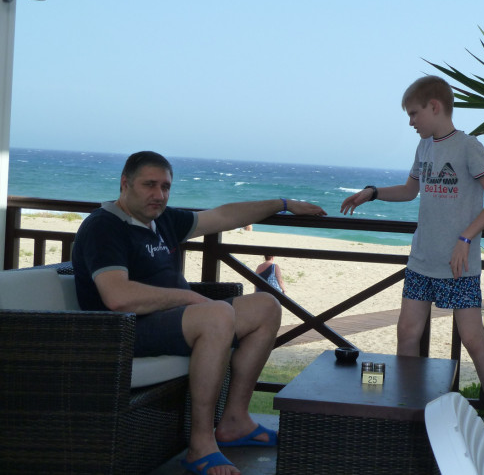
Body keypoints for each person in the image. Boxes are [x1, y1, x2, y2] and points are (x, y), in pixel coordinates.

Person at [72, 151, 327, 475]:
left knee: (266, 306)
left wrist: (284, 203)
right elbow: (118, 297)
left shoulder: (162, 220)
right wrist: (189, 297)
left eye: (166, 186)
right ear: (125, 183)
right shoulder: (104, 226)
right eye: (150, 185)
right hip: (123, 331)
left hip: (173, 322)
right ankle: (200, 445)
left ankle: (234, 421)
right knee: (216, 315)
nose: (159, 194)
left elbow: (223, 216)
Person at [340, 76, 484, 461]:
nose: (411, 121)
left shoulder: (469, 146)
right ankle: (412, 417)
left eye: (414, 113)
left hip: (458, 267)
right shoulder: (423, 147)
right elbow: (410, 190)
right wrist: (372, 192)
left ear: (435, 106)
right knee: (407, 334)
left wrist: (466, 238)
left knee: (474, 342)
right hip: (421, 261)